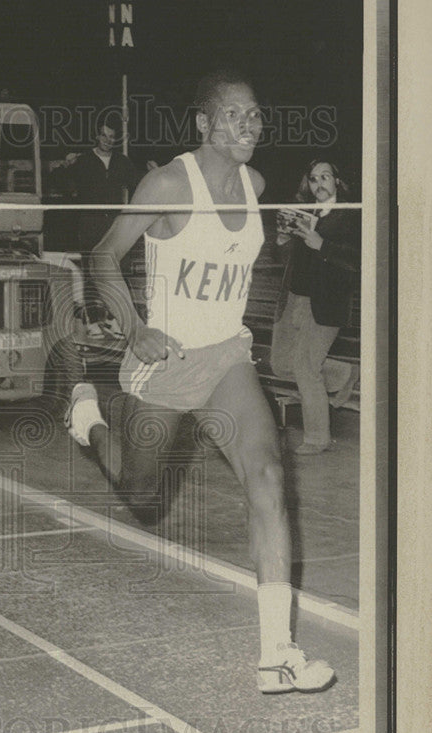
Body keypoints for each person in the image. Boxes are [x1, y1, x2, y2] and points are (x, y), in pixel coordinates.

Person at [63, 70, 335, 694]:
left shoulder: (256, 183)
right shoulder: (167, 183)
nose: (250, 126)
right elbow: (102, 254)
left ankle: (277, 654)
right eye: (234, 116)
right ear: (204, 124)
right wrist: (133, 329)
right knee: (140, 494)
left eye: (256, 116)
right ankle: (88, 418)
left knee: (268, 477)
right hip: (166, 362)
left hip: (226, 356)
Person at [270, 160, 361, 454]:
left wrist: (322, 245)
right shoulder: (304, 213)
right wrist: (283, 240)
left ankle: (317, 438)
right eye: (313, 179)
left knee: (304, 366)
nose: (319, 183)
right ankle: (344, 373)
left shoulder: (352, 215)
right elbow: (285, 259)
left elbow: (358, 261)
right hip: (294, 298)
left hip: (326, 303)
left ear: (337, 181)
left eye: (325, 177)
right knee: (281, 364)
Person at [53, 117, 144, 337]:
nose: (108, 140)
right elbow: (61, 184)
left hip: (114, 224)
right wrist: (64, 166)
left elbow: (138, 186)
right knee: (91, 272)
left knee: (117, 271)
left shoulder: (122, 162)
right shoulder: (83, 161)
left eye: (113, 137)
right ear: (97, 136)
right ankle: (92, 320)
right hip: (90, 223)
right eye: (104, 135)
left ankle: (113, 319)